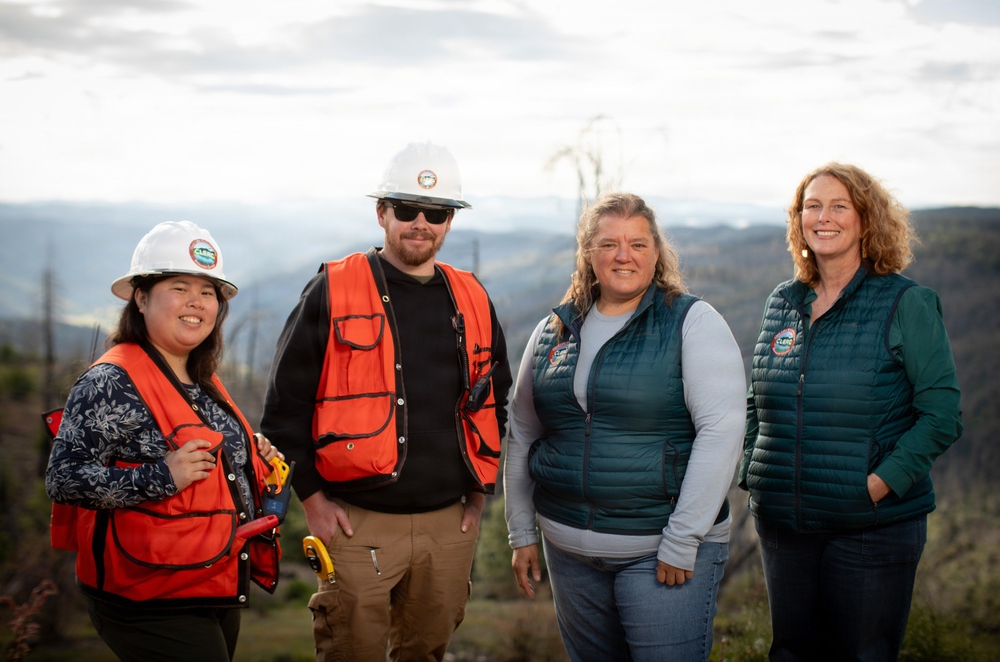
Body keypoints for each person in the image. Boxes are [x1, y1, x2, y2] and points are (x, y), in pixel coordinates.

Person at [261, 141, 512, 662]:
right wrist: (312, 500)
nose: (421, 223)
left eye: (436, 212)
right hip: (357, 522)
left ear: (449, 221)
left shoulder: (472, 297)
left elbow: (496, 402)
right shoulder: (332, 289)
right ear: (382, 213)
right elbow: (283, 411)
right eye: (406, 209)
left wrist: (479, 489)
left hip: (450, 526)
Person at [504, 192, 746, 662]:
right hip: (568, 551)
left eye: (637, 243)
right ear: (588, 254)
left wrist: (683, 538)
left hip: (660, 552)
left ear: (657, 253)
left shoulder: (691, 322)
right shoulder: (554, 329)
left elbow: (722, 432)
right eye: (609, 243)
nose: (623, 255)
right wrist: (522, 532)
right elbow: (523, 432)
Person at [739, 162, 963, 661]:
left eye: (839, 206)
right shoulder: (784, 301)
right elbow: (759, 396)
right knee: (791, 653)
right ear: (798, 220)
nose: (824, 217)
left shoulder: (906, 303)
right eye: (811, 206)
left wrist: (879, 484)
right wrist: (755, 468)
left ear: (867, 219)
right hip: (784, 525)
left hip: (869, 529)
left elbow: (942, 414)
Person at [45, 221, 284, 662]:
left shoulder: (199, 378)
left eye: (208, 291)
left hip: (210, 581)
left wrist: (252, 453)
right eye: (179, 287)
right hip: (149, 595)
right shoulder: (110, 381)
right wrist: (160, 476)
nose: (197, 302)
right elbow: (63, 478)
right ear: (141, 297)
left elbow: (209, 456)